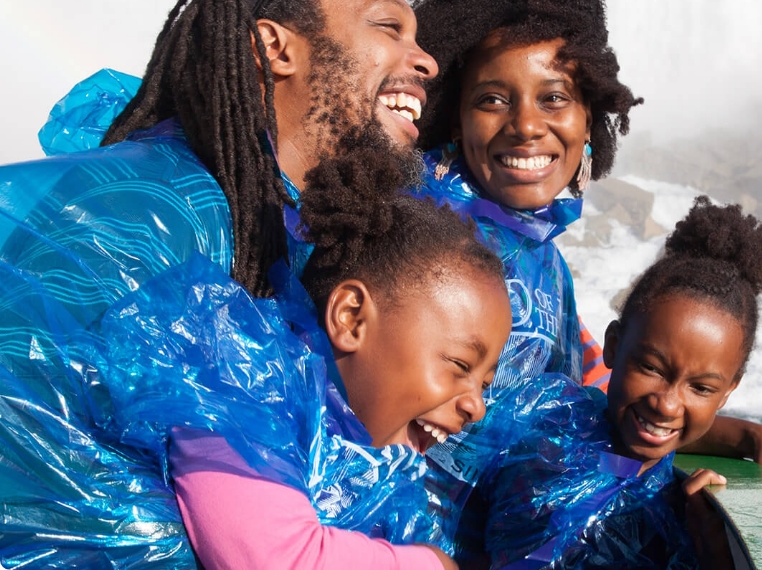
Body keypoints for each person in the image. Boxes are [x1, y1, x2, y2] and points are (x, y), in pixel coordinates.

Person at [0, 0, 438, 566]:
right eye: (389, 27)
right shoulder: (161, 214)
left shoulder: (254, 220)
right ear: (274, 47)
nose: (425, 61)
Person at [408, 0, 762, 556]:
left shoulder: (544, 261)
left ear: (589, 118)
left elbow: (596, 403)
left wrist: (749, 440)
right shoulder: (419, 242)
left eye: (555, 98)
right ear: (453, 115)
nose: (527, 126)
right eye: (491, 99)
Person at [98, 130, 512, 570]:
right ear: (351, 318)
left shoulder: (371, 464)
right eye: (460, 365)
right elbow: (276, 558)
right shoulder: (243, 390)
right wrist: (431, 565)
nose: (477, 406)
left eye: (484, 383)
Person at [476, 196, 762, 568]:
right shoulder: (545, 420)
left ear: (729, 391)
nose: (666, 404)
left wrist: (714, 549)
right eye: (651, 368)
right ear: (613, 346)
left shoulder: (682, 512)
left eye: (701, 388)